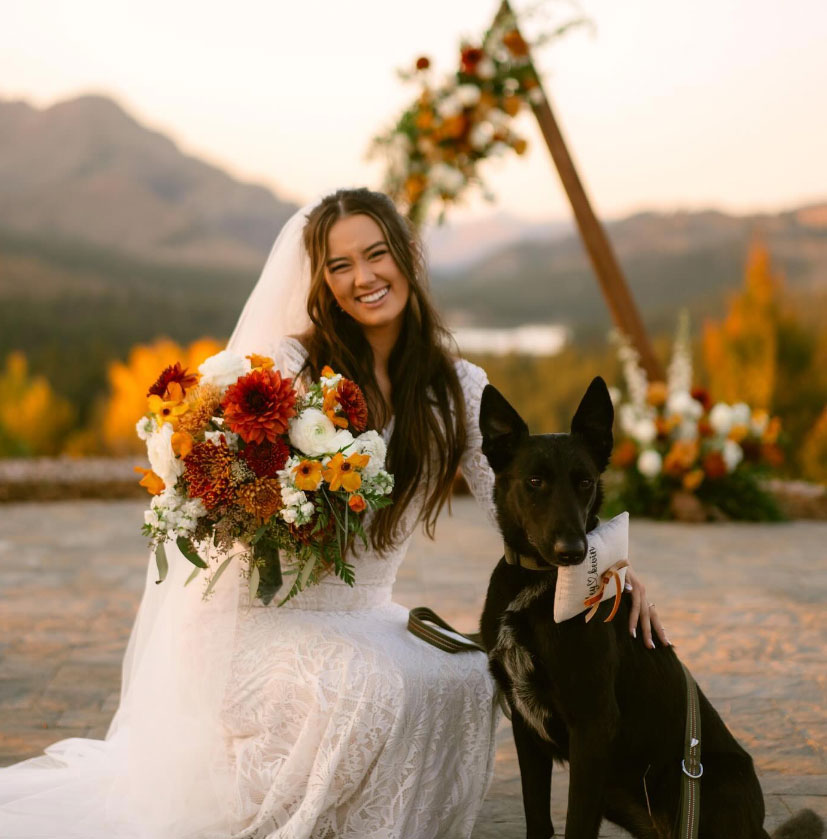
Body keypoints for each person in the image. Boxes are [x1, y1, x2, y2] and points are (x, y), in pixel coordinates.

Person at [0, 187, 666, 838]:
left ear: (405, 257)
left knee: (467, 677)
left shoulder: (457, 387)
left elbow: (521, 500)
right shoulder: (288, 365)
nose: (363, 277)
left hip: (365, 613)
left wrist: (613, 566)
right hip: (261, 623)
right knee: (368, 685)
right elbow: (181, 438)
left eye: (375, 254)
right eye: (340, 265)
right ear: (320, 280)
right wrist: (229, 475)